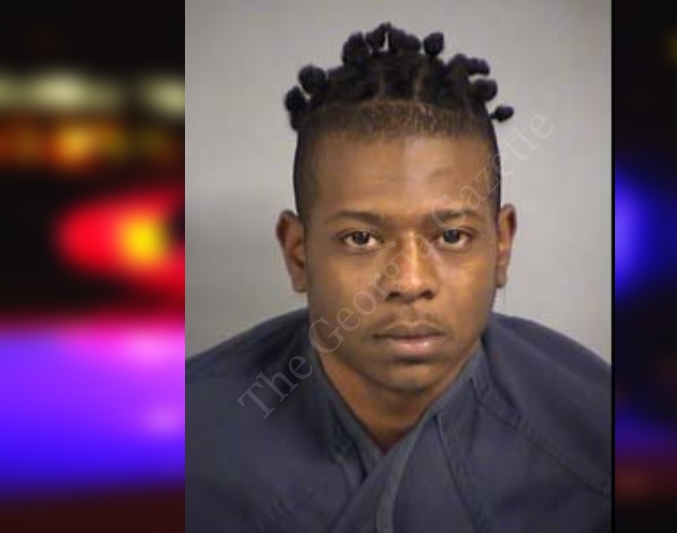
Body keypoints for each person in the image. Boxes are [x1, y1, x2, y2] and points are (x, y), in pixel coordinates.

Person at [186, 22, 610, 533]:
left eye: (451, 236)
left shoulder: (600, 438)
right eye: (361, 239)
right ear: (298, 254)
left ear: (501, 245)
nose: (409, 282)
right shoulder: (183, 443)